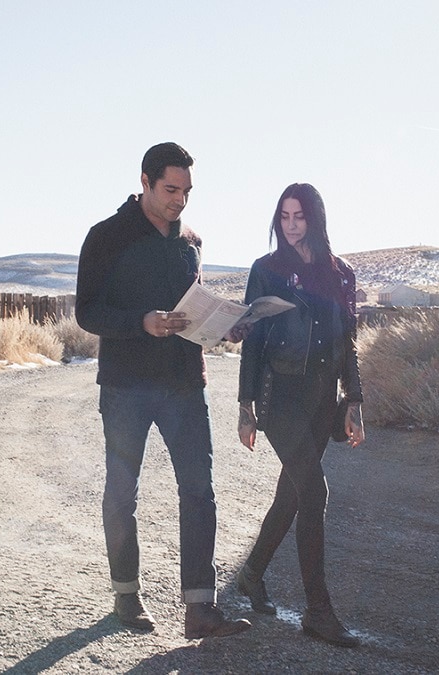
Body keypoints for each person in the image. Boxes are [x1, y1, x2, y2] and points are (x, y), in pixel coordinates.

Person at [75, 142, 251, 640]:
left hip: (183, 386)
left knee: (199, 491)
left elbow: (192, 308)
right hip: (126, 387)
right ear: (145, 182)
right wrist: (141, 322)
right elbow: (86, 312)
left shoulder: (191, 240)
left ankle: (200, 609)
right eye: (171, 189)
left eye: (187, 191)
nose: (180, 201)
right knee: (121, 493)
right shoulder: (106, 237)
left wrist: (221, 329)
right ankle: (126, 596)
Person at [235, 183, 365, 648]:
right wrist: (245, 407)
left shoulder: (341, 273)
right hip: (279, 398)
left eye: (299, 216)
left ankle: (251, 574)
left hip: (321, 400)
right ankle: (319, 612)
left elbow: (347, 342)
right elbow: (251, 339)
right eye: (284, 217)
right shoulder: (266, 270)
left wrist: (354, 401)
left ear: (315, 218)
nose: (290, 226)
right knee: (313, 491)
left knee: (291, 494)